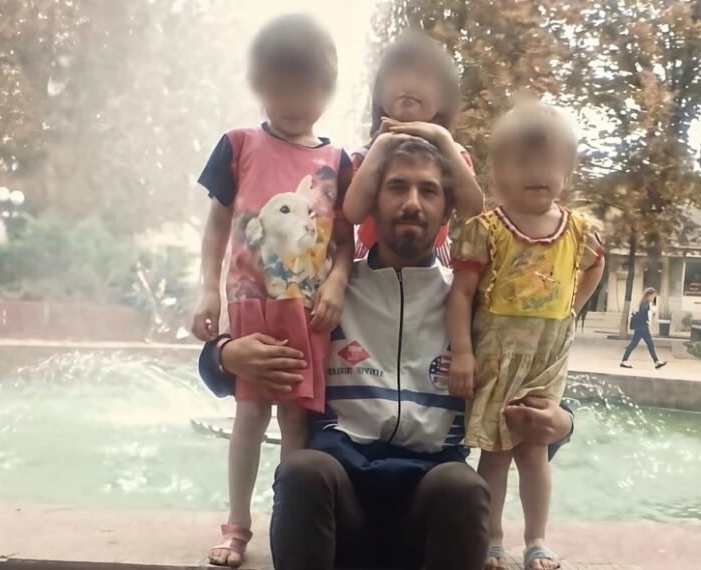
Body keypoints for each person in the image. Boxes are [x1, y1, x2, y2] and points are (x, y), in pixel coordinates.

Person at [198, 138, 575, 570]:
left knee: (464, 486)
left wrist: (561, 423)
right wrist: (224, 355)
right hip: (339, 498)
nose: (412, 202)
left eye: (428, 191)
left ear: (446, 212)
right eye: (397, 187)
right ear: (372, 205)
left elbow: (531, 386)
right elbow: (217, 370)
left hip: (429, 499)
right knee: (302, 471)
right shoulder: (330, 290)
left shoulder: (472, 304)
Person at [190, 15, 355, 567]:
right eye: (279, 89)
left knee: (295, 421)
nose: (293, 103)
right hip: (252, 308)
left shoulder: (337, 163)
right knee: (250, 414)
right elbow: (217, 225)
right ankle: (236, 524)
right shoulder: (238, 145)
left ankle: (291, 523)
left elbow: (346, 241)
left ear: (327, 90)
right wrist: (208, 291)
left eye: (306, 90)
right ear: (259, 84)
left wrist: (336, 282)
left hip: (307, 312)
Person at [447, 101, 605, 570]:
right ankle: (492, 538)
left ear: (567, 171)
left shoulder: (578, 230)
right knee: (495, 454)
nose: (537, 174)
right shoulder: (487, 230)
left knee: (534, 451)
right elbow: (460, 294)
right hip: (497, 355)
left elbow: (595, 266)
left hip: (543, 360)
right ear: (497, 172)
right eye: (522, 163)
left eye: (548, 164)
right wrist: (462, 353)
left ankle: (536, 537)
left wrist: (569, 309)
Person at [343, 31, 484, 266]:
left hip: (434, 262)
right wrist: (381, 144)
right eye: (396, 76)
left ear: (444, 99)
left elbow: (472, 209)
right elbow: (353, 212)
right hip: (370, 263)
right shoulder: (365, 155)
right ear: (379, 95)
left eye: (423, 77)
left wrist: (442, 138)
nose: (408, 84)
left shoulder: (453, 153)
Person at [620, 288, 667, 370]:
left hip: (641, 326)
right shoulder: (645, 304)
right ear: (649, 295)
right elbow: (642, 315)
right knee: (646, 344)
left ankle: (656, 362)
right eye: (653, 296)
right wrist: (647, 321)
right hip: (642, 327)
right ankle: (656, 362)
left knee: (637, 344)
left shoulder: (644, 303)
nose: (653, 297)